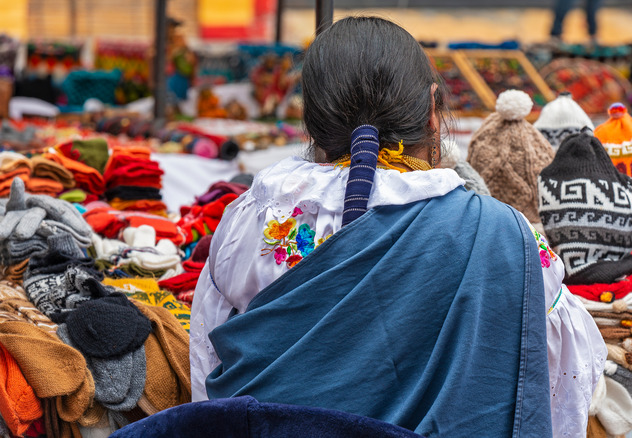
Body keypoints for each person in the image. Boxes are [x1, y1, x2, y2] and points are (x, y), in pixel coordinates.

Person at [191, 16, 599, 437]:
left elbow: (207, 369)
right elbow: (563, 391)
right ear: (432, 111)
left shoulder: (254, 217)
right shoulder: (506, 239)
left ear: (311, 123)